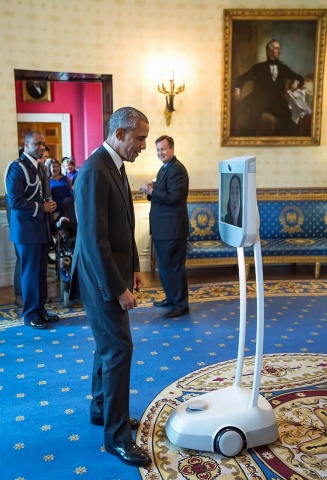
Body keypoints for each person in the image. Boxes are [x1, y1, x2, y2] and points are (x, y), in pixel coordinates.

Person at [70, 106, 151, 468]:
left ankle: (101, 408)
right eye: (140, 138)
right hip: (99, 277)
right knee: (119, 349)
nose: (143, 146)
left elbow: (124, 226)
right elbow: (93, 241)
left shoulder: (115, 167)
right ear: (120, 134)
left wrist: (133, 267)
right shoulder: (92, 171)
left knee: (107, 346)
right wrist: (117, 288)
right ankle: (116, 437)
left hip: (114, 270)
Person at [4, 131, 60, 329]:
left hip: (41, 228)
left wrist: (49, 206)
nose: (41, 147)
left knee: (40, 273)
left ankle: (41, 310)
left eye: (43, 144)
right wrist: (41, 208)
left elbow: (42, 196)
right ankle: (30, 314)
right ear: (25, 145)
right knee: (29, 273)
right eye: (37, 144)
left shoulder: (42, 168)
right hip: (26, 231)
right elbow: (15, 201)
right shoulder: (16, 168)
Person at [140, 135, 189, 318]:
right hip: (163, 230)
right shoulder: (164, 169)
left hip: (173, 230)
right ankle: (171, 299)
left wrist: (152, 190)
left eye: (163, 149)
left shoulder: (177, 170)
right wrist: (151, 188)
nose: (160, 152)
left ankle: (180, 305)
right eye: (158, 150)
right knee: (165, 267)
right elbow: (163, 192)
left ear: (172, 149)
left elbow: (173, 198)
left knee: (174, 269)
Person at [232, 39, 304, 136]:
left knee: (289, 118)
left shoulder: (283, 68)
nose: (279, 51)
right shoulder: (259, 67)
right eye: (275, 48)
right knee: (250, 120)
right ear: (269, 51)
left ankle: (281, 142)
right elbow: (242, 78)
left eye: (279, 48)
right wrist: (237, 89)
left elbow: (298, 77)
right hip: (259, 100)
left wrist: (296, 81)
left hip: (277, 101)